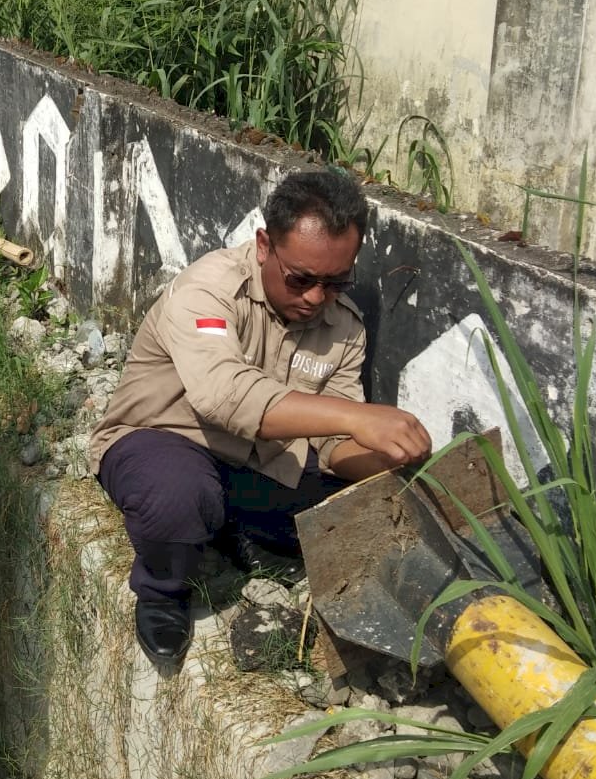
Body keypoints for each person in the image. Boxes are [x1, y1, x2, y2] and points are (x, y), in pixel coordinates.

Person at [91, 167, 432, 663]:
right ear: (264, 246)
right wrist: (359, 418)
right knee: (179, 495)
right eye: (302, 279)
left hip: (258, 462)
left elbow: (334, 445)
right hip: (164, 439)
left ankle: (230, 529)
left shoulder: (344, 328)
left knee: (351, 517)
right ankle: (163, 590)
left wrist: (391, 461)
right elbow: (222, 395)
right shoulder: (208, 290)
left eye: (337, 282)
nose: (317, 298)